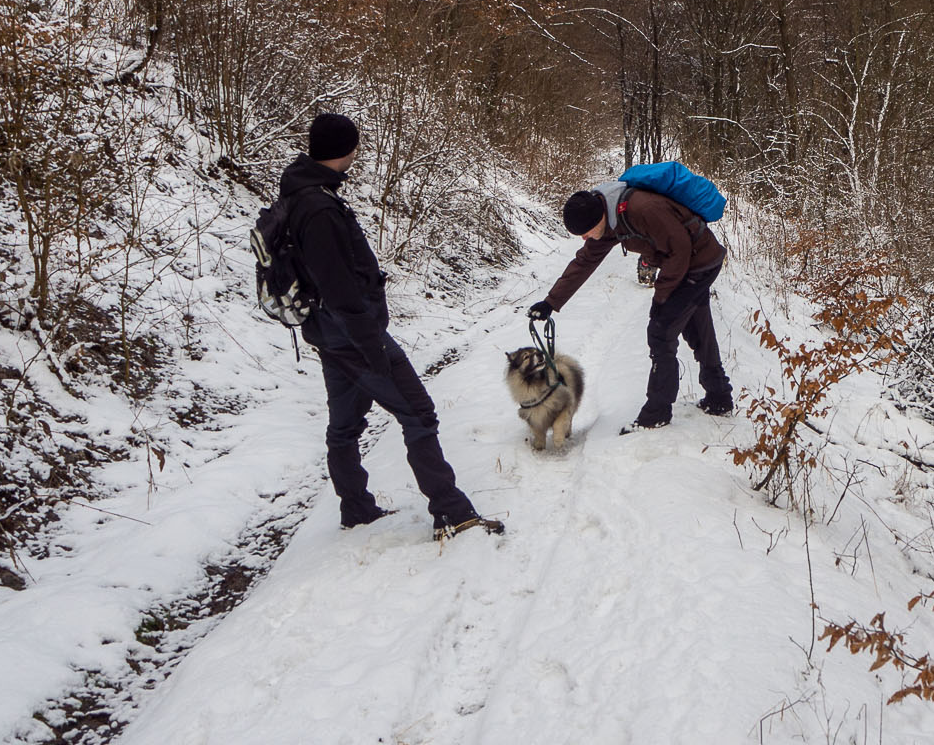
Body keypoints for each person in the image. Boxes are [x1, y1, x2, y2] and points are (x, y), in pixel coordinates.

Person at [279, 113, 498, 538]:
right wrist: (372, 344)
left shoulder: (302, 193)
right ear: (347, 149)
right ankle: (454, 513)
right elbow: (338, 286)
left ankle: (357, 510)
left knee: (344, 426)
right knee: (419, 413)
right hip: (353, 336)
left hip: (331, 334)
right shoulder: (318, 207)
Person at [529, 180, 733, 433]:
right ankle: (719, 396)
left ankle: (656, 414)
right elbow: (585, 261)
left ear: (599, 217)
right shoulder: (608, 221)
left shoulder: (643, 209)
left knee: (661, 332)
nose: (585, 237)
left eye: (587, 231)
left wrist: (661, 297)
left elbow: (680, 249)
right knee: (697, 325)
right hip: (691, 261)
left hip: (698, 262)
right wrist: (551, 302)